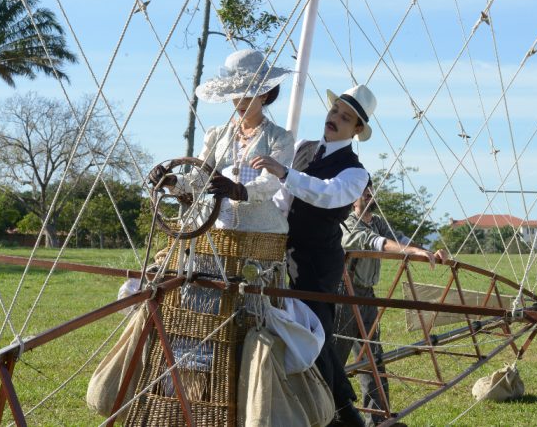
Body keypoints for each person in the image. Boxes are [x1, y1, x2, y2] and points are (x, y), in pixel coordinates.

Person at [144, 48, 295, 397]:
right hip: (217, 235)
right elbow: (198, 181)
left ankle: (250, 393)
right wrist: (170, 181)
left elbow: (273, 183)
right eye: (234, 93)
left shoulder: (279, 138)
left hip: (259, 238)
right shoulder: (218, 135)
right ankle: (195, 389)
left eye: (249, 92)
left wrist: (239, 189)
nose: (239, 100)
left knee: (250, 318)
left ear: (266, 93)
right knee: (199, 307)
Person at [251, 84, 376, 427]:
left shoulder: (355, 171)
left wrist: (285, 173)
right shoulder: (304, 148)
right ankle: (297, 400)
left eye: (345, 117)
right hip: (283, 250)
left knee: (315, 331)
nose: (334, 118)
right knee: (276, 321)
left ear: (357, 130)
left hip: (319, 261)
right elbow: (282, 198)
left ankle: (342, 413)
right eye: (335, 110)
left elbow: (325, 194)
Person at [334, 180, 447, 426]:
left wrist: (427, 251)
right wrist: (409, 252)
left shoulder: (376, 222)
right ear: (353, 198)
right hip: (345, 296)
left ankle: (377, 419)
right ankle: (329, 414)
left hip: (367, 295)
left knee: (373, 357)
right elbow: (376, 243)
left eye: (371, 189)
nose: (369, 193)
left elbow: (400, 238)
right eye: (363, 190)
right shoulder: (347, 225)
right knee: (336, 359)